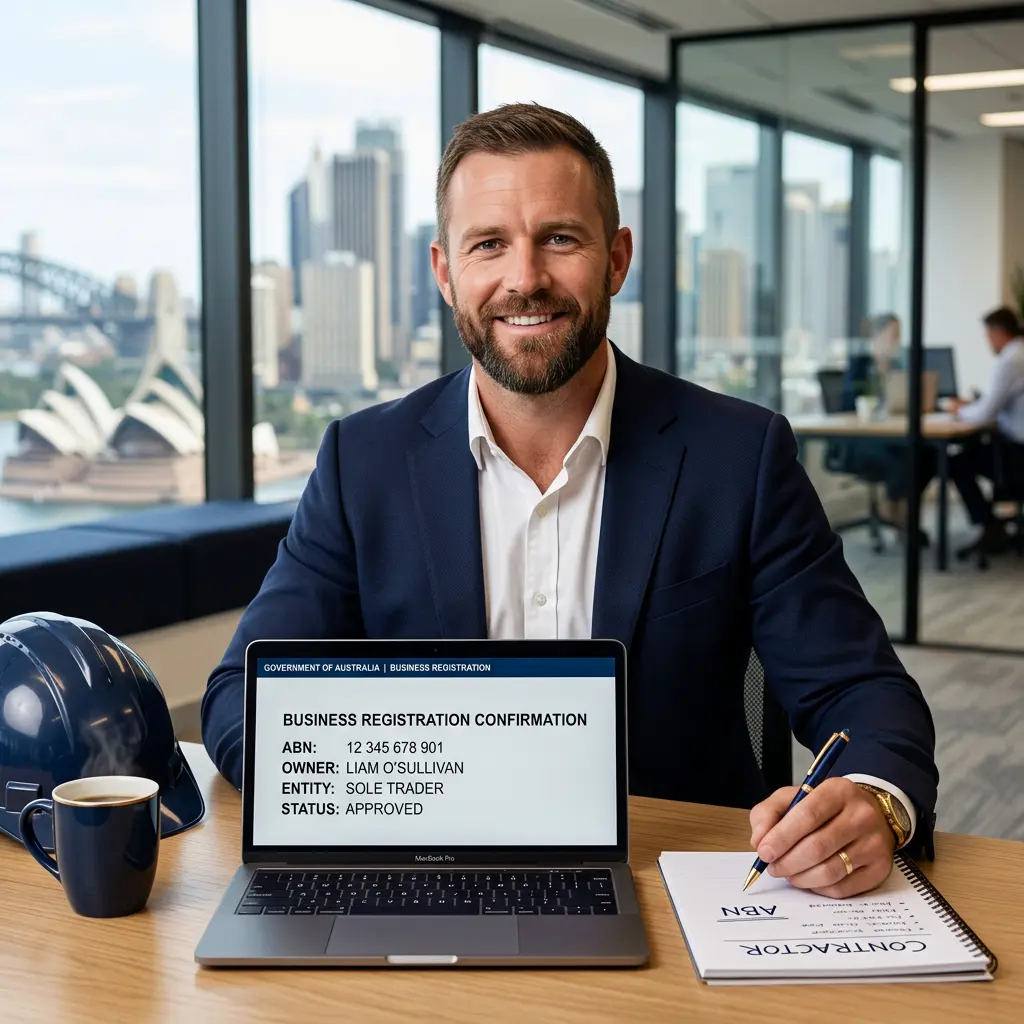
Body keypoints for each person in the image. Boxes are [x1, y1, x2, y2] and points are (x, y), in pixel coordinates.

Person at [202, 104, 937, 899]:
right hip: (421, 883)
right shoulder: (363, 461)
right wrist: (397, 793)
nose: (525, 278)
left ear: (616, 259)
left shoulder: (739, 457)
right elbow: (240, 695)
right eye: (489, 244)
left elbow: (862, 693)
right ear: (445, 271)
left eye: (560, 238)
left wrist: (873, 801)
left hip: (675, 893)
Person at [839, 314, 936, 542]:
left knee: (928, 454)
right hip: (860, 440)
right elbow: (849, 404)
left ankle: (901, 511)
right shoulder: (860, 364)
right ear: (877, 335)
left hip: (891, 434)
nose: (896, 340)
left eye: (898, 335)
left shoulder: (898, 366)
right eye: (893, 334)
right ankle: (895, 511)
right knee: (905, 457)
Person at [949, 306, 1024, 557]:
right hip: (1014, 443)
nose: (987, 341)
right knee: (974, 450)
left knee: (956, 463)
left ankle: (990, 525)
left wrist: (957, 410)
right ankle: (997, 521)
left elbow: (984, 414)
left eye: (988, 334)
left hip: (1017, 452)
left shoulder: (1011, 359)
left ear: (998, 332)